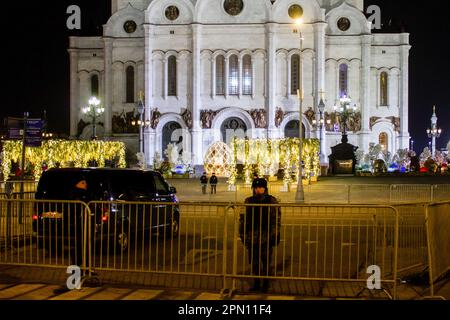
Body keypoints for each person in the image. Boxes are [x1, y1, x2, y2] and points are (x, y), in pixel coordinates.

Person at [240, 178, 281, 293]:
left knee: (266, 262)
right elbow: (243, 219)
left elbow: (275, 220)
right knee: (254, 263)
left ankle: (266, 283)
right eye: (256, 188)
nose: (258, 190)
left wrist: (274, 235)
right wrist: (243, 235)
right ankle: (257, 283)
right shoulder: (248, 201)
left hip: (266, 236)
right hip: (252, 236)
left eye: (261, 188)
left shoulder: (271, 201)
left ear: (265, 188)